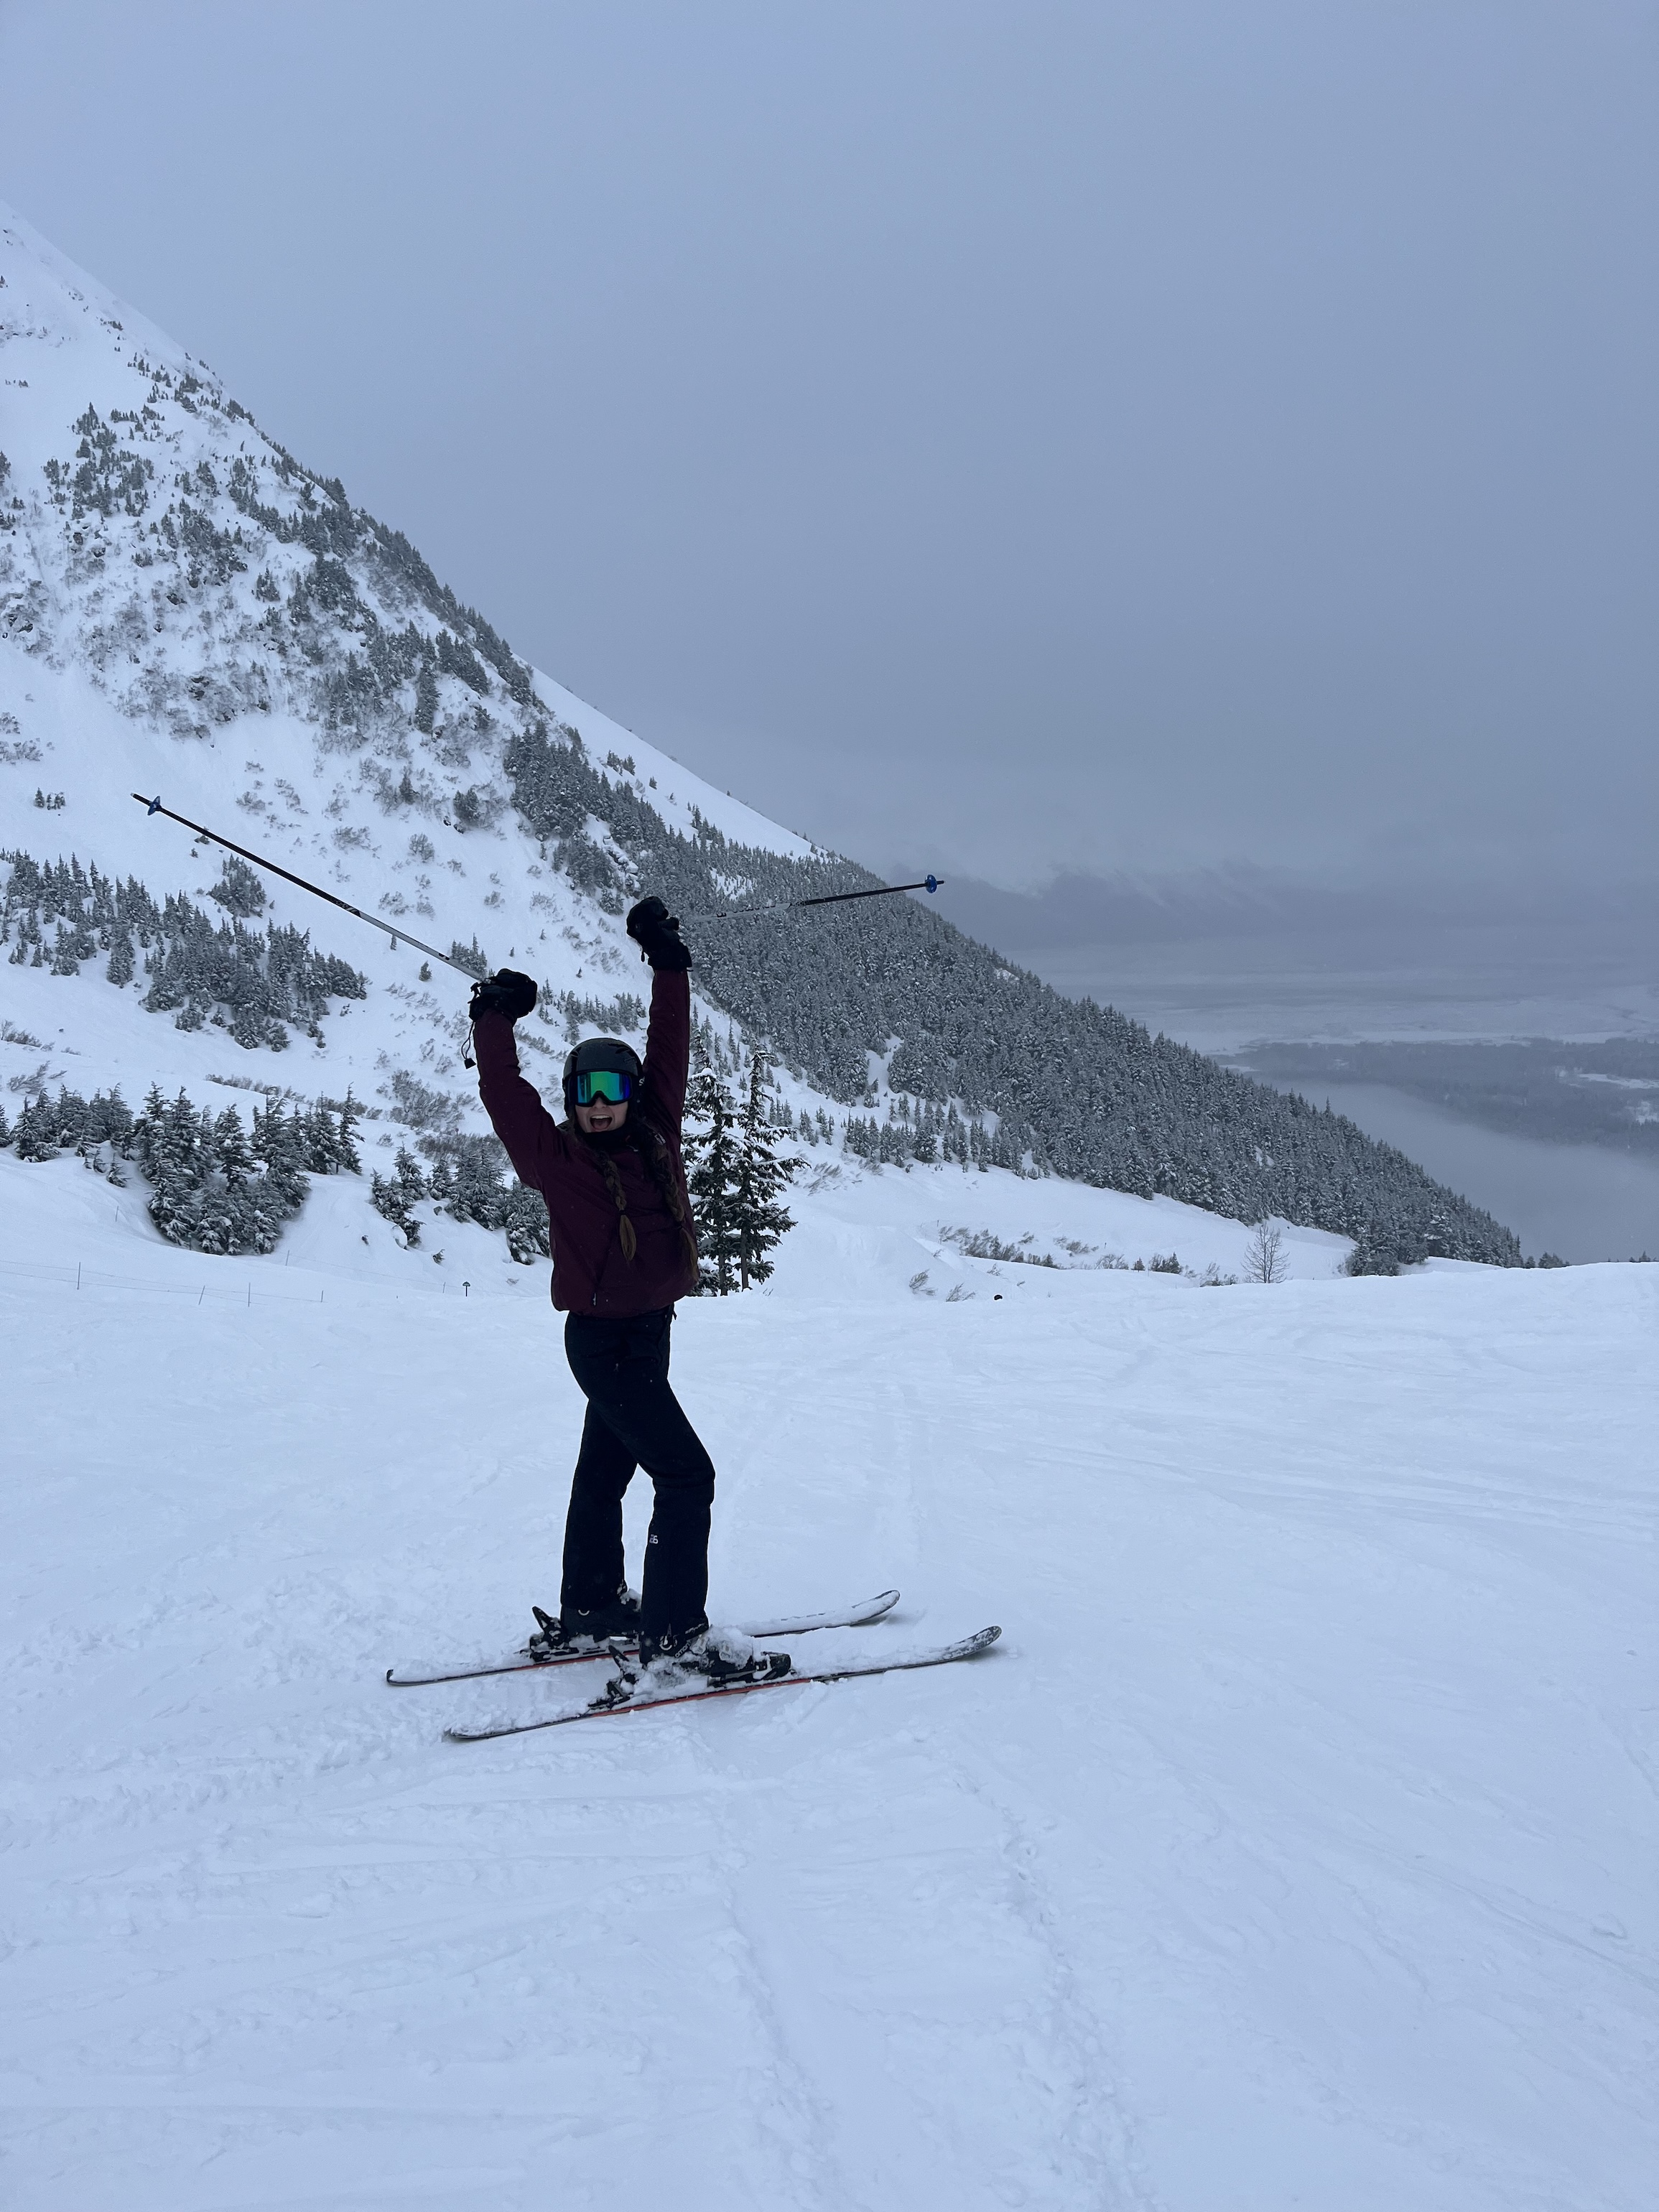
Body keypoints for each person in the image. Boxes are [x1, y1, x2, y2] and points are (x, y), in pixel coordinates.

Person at [466, 896, 786, 1693]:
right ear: (571, 1100)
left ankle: (592, 1604)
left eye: (613, 1086)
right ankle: (675, 1638)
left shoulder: (657, 1130)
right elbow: (505, 1092)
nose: (600, 1101)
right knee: (687, 1476)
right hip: (603, 1342)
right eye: (585, 1090)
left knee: (605, 1471)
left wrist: (668, 963)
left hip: (650, 1329)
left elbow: (668, 1044)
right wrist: (492, 1019)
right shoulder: (556, 1160)